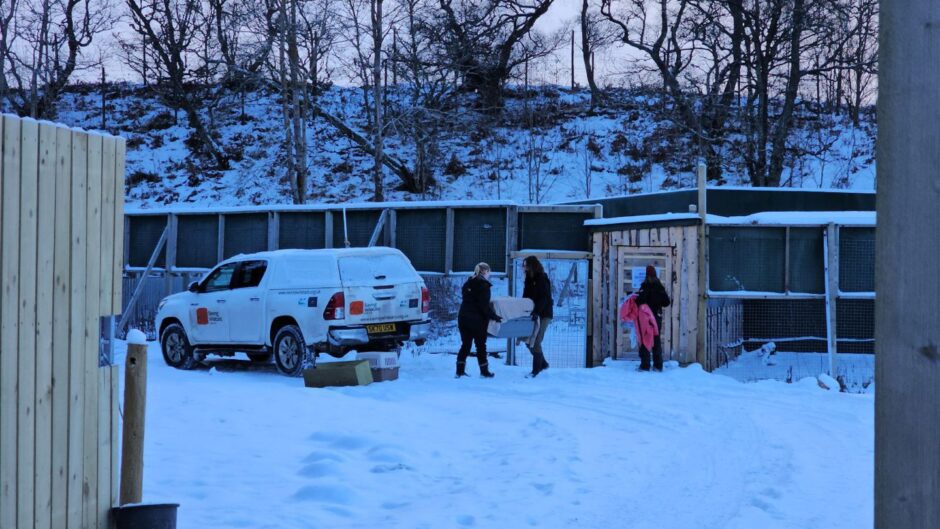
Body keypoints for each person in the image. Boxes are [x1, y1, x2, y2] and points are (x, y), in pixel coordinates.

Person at [456, 262, 502, 378]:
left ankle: (459, 371)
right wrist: (494, 316)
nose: (489, 275)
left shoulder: (468, 283)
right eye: (489, 272)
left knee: (465, 345)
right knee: (481, 346)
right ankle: (484, 371)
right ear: (485, 272)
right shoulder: (484, 286)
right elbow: (484, 306)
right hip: (477, 321)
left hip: (463, 318)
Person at [635, 265, 671, 371]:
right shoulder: (659, 287)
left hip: (645, 318)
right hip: (656, 317)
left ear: (647, 275)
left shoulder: (644, 286)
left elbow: (639, 301)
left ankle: (645, 365)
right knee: (656, 340)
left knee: (645, 339)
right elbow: (667, 302)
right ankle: (658, 365)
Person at [522, 256, 553, 378]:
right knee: (528, 341)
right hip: (533, 313)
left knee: (536, 341)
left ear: (532, 265)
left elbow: (544, 298)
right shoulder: (529, 279)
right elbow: (526, 296)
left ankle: (536, 370)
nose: (524, 267)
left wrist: (537, 312)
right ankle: (543, 364)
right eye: (524, 265)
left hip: (544, 314)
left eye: (526, 265)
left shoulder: (542, 278)